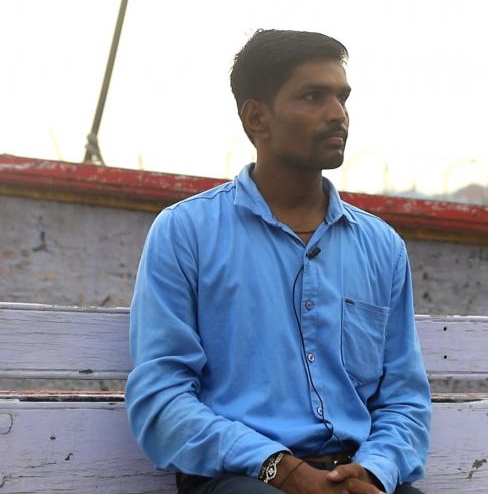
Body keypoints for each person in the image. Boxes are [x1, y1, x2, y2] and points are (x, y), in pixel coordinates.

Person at [125, 30, 431, 494]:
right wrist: (278, 468)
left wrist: (374, 470)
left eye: (342, 98)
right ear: (257, 118)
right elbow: (160, 400)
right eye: (313, 97)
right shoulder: (187, 232)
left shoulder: (381, 246)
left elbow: (405, 398)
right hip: (242, 478)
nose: (338, 115)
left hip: (354, 478)